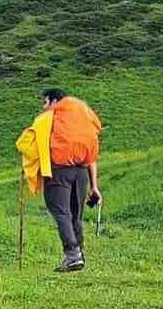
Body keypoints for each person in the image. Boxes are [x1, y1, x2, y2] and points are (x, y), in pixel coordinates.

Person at [17, 88, 102, 272]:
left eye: (45, 102)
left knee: (61, 211)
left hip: (59, 171)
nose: (44, 106)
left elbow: (27, 142)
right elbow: (92, 155)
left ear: (55, 102)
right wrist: (94, 186)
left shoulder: (50, 118)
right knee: (75, 215)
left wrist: (27, 160)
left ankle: (72, 255)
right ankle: (79, 254)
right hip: (81, 172)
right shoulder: (84, 115)